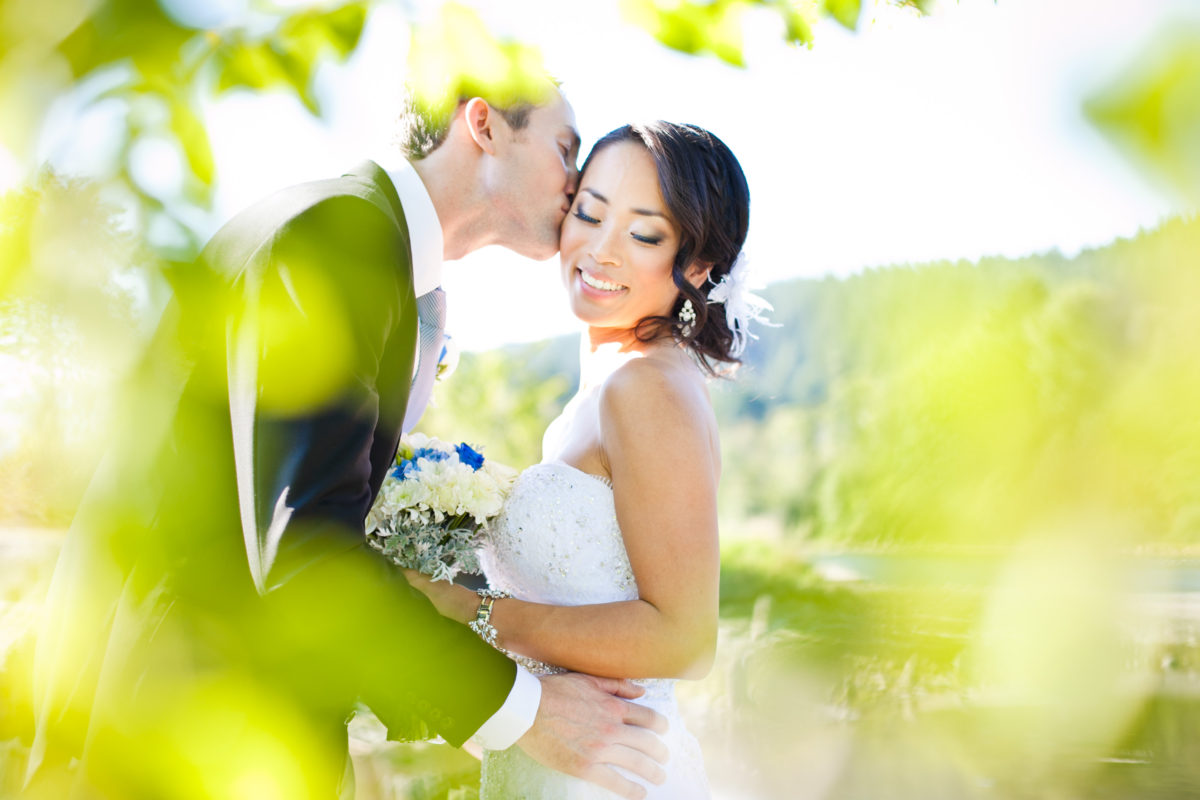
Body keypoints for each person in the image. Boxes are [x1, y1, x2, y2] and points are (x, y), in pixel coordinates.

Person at [27, 82, 670, 800]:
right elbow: (307, 552)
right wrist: (522, 711)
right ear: (483, 124)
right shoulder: (340, 241)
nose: (578, 183)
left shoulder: (360, 241)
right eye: (565, 148)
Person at [407, 121, 763, 798]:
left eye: (644, 233)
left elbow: (684, 639)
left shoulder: (648, 388)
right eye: (589, 213)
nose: (600, 250)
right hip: (562, 760)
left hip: (613, 772)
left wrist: (469, 612)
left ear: (696, 265)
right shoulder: (612, 380)